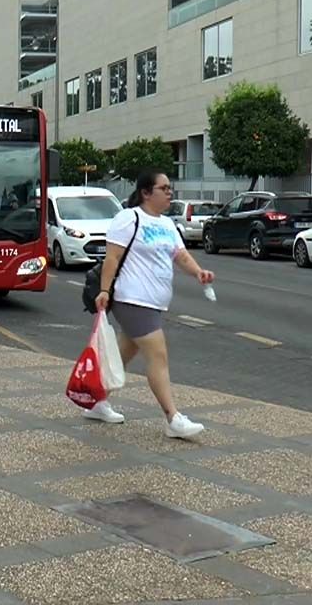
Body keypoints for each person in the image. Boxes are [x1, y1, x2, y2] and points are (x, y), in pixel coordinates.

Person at [92, 170, 215, 439]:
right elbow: (112, 257)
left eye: (170, 188)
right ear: (147, 192)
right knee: (157, 354)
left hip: (154, 302)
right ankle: (173, 418)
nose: (170, 192)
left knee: (124, 353)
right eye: (164, 188)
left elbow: (180, 255)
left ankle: (96, 400)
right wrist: (104, 290)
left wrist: (198, 272)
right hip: (131, 298)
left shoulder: (167, 224)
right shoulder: (128, 218)